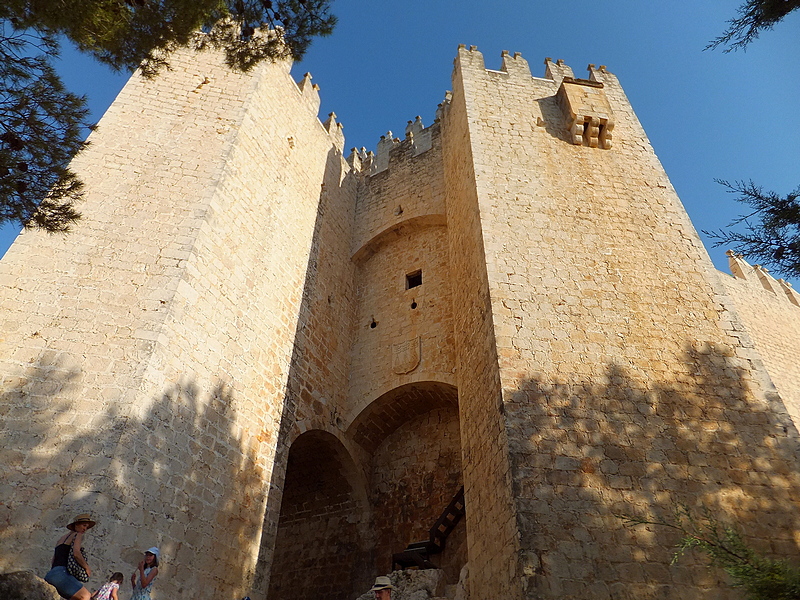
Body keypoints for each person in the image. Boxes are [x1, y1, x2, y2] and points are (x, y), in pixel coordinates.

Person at [44, 513, 95, 600]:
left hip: (51, 574)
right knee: (86, 596)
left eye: (86, 527)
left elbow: (53, 560)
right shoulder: (77, 535)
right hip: (62, 574)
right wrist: (86, 567)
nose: (85, 529)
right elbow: (76, 553)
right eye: (84, 525)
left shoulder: (60, 539)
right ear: (76, 525)